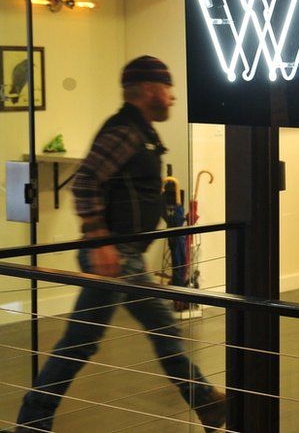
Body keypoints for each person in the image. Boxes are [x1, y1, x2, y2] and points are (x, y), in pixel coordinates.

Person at [13, 56, 226, 432]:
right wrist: (99, 239)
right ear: (149, 90)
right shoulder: (125, 132)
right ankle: (32, 421)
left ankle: (204, 400)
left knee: (156, 328)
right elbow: (86, 181)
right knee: (82, 342)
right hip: (111, 255)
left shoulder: (140, 130)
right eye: (168, 87)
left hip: (125, 254)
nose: (173, 97)